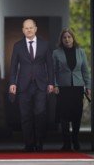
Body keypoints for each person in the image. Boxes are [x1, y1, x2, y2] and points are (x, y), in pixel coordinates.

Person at [9, 18, 55, 152]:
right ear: (23, 31)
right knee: (25, 115)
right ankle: (29, 143)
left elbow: (50, 65)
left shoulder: (45, 44)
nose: (29, 30)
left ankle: (39, 141)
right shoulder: (17, 45)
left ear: (35, 29)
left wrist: (51, 82)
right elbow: (13, 66)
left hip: (41, 85)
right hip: (23, 85)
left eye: (31, 27)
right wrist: (12, 82)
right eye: (26, 28)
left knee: (40, 113)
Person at [52, 28, 91, 151]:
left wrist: (88, 86)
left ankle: (75, 140)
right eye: (64, 37)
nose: (67, 39)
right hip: (63, 89)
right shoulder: (56, 53)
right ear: (61, 40)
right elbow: (53, 71)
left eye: (69, 37)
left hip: (77, 88)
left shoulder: (81, 52)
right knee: (64, 116)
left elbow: (85, 71)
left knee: (76, 115)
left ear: (73, 38)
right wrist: (55, 84)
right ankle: (67, 143)